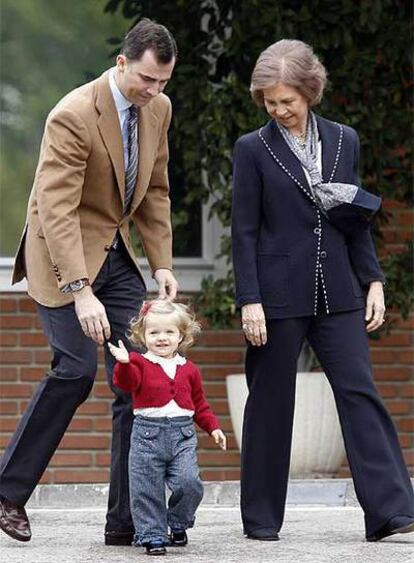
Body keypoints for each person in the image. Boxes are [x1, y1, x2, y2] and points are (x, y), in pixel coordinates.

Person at [0, 18, 180, 546]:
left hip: (114, 252)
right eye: (146, 80)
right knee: (75, 371)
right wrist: (81, 291)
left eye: (163, 83)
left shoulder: (159, 110)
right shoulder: (74, 114)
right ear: (122, 63)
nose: (153, 92)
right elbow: (54, 210)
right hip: (62, 253)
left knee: (136, 378)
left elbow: (156, 191)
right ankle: (8, 490)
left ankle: (127, 520)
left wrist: (163, 262)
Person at [231, 39, 414, 543]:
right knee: (270, 401)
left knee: (360, 393)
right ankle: (262, 520)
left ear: (310, 92)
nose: (278, 109)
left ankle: (392, 512)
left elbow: (354, 219)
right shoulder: (252, 149)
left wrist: (373, 280)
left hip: (339, 289)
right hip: (276, 295)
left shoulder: (343, 140)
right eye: (269, 101)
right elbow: (243, 230)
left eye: (287, 100)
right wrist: (249, 299)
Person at [108, 299, 226, 555]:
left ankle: (177, 522)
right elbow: (126, 383)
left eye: (169, 332)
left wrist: (213, 428)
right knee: (146, 489)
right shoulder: (139, 363)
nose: (161, 338)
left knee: (190, 483)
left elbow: (199, 405)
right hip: (146, 435)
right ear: (142, 335)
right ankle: (152, 536)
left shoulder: (189, 369)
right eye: (154, 332)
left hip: (182, 435)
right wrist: (124, 363)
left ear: (181, 335)